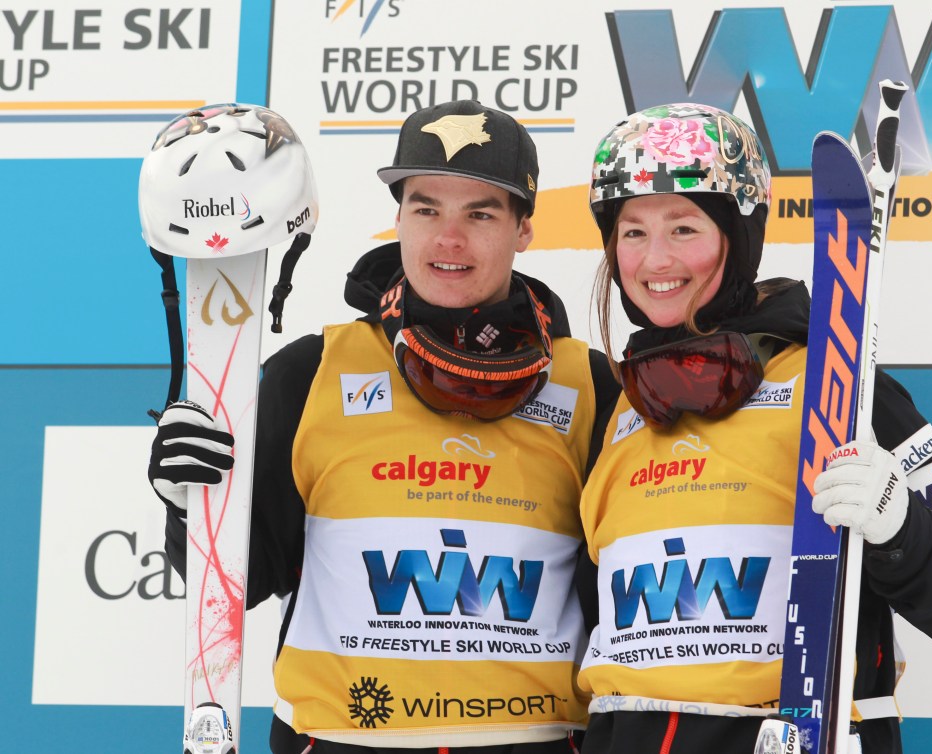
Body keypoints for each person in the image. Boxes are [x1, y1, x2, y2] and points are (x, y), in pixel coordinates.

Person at [148, 100, 618, 753]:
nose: (448, 239)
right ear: (398, 218)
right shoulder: (310, 372)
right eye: (426, 209)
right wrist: (189, 505)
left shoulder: (588, 383)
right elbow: (240, 577)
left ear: (524, 230)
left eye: (480, 214)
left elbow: (627, 599)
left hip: (534, 739)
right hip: (341, 740)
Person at [575, 103, 932, 753]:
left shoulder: (835, 381)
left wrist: (901, 526)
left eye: (684, 227)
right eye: (632, 232)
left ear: (739, 234)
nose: (655, 259)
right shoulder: (620, 407)